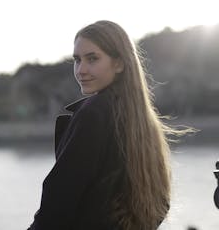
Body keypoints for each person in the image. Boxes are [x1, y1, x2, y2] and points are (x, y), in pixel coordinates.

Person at [28, 20, 176, 230]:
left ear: (119, 63)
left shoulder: (94, 113)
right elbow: (161, 202)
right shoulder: (144, 121)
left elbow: (59, 198)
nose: (81, 70)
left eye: (92, 59)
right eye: (77, 60)